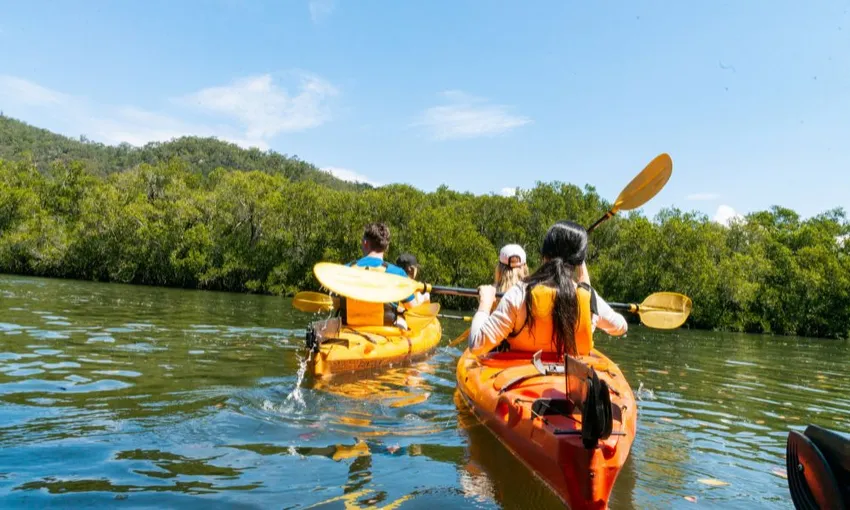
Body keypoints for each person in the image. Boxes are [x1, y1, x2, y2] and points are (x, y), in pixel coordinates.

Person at [469, 221, 627, 358]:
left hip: (520, 379)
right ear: (578, 260)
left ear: (544, 255)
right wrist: (584, 277)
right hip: (569, 383)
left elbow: (476, 345)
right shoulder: (588, 297)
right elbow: (621, 327)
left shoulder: (519, 293)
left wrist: (484, 304)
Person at [342, 222, 415, 327]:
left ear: (365, 243)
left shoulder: (346, 269)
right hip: (384, 333)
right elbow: (414, 309)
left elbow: (334, 302)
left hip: (350, 331)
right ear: (386, 247)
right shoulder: (397, 273)